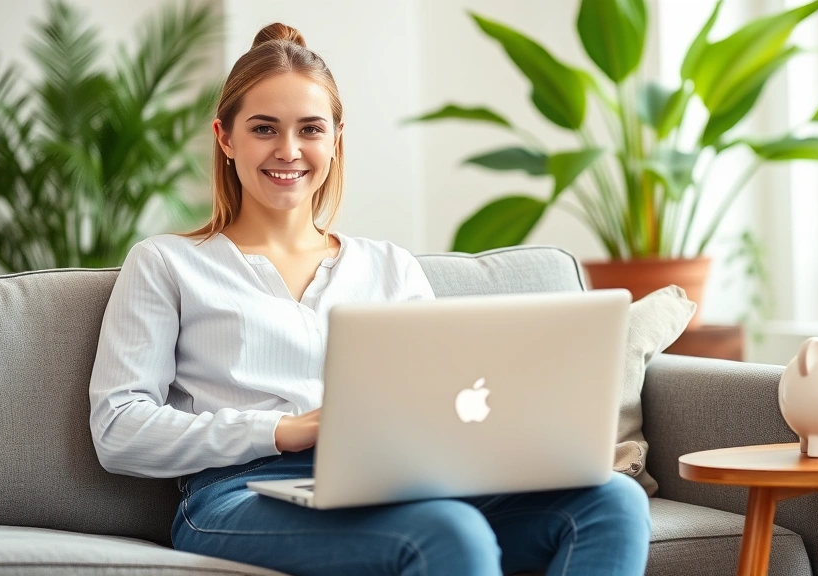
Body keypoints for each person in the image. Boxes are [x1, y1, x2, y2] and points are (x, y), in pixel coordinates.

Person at [88, 22, 651, 576]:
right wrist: (284, 430)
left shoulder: (389, 267)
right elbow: (118, 428)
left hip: (398, 485)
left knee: (613, 503)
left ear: (335, 139)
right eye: (264, 129)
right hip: (239, 494)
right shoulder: (166, 262)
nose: (289, 150)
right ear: (225, 138)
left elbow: (447, 401)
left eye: (310, 129)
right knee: (446, 531)